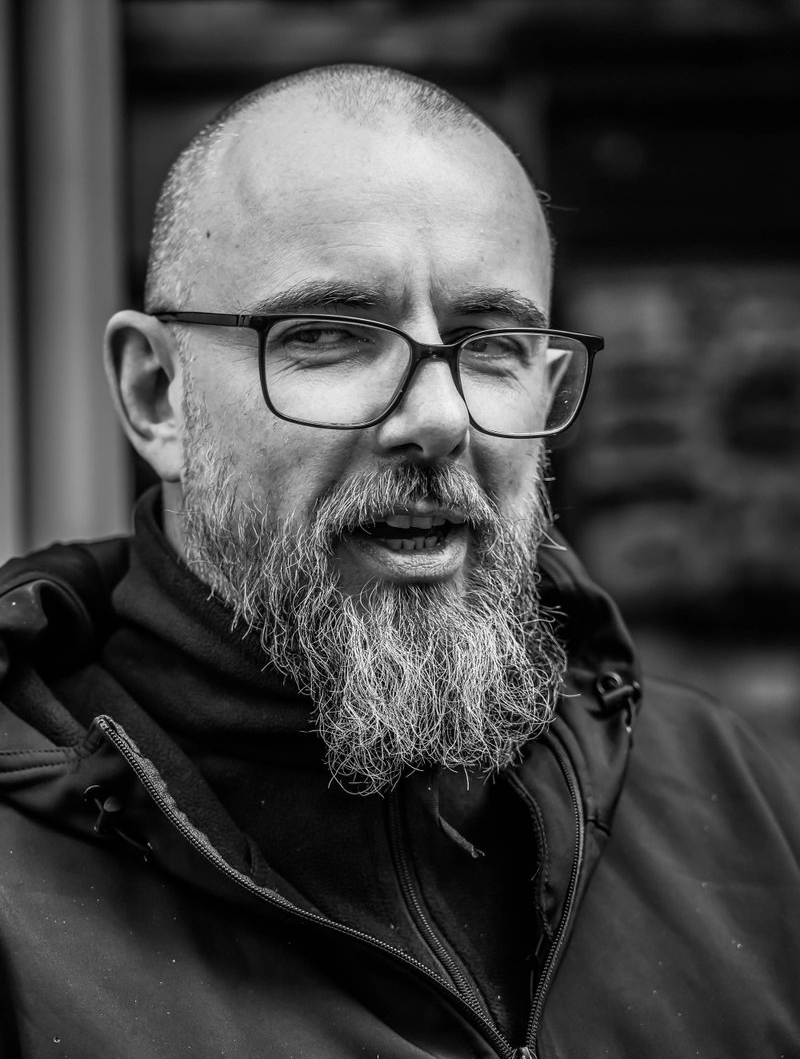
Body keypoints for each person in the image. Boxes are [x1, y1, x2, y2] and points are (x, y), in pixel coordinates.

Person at [0, 65, 797, 1059]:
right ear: (158, 394)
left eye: (492, 343)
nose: (436, 418)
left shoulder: (722, 796)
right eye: (329, 335)